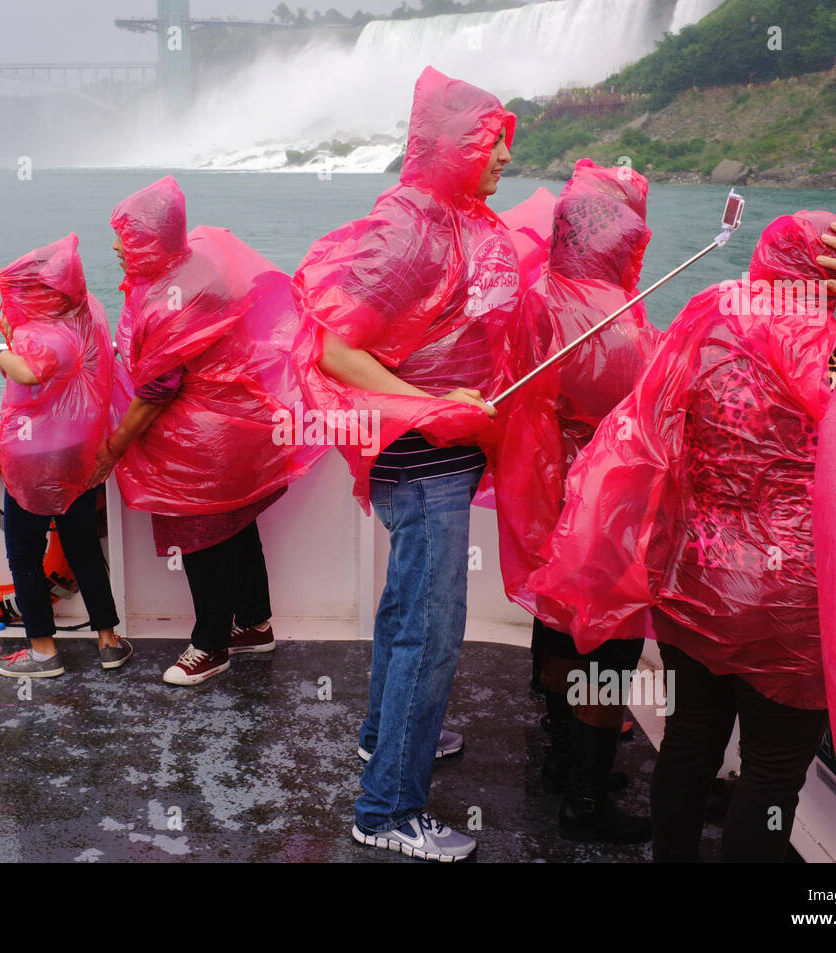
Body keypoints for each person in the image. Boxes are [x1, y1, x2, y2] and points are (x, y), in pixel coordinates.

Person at [533, 211, 836, 861]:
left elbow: (646, 424)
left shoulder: (707, 315)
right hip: (788, 601)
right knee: (773, 773)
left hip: (697, 570)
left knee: (690, 739)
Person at [293, 67, 521, 862]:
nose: (503, 160)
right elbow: (335, 346)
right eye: (492, 144)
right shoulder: (410, 229)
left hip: (433, 456)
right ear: (455, 147)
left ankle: (378, 738)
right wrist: (428, 406)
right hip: (422, 458)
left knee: (403, 614)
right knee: (430, 631)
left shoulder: (451, 218)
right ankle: (387, 807)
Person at [98, 176, 323, 686]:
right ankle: (255, 624)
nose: (114, 246)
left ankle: (211, 645)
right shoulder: (193, 268)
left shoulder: (177, 295)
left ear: (152, 240)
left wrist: (114, 447)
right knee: (237, 528)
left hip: (203, 444)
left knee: (202, 538)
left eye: (123, 236)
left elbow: (158, 387)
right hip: (233, 429)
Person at [496, 159, 660, 843]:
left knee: (559, 624)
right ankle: (588, 799)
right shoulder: (616, 323)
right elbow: (642, 411)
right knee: (610, 649)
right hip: (601, 508)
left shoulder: (540, 297)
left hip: (543, 496)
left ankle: (564, 757)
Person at [0, 234, 129, 678]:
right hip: (77, 453)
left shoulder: (39, 332)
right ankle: (108, 641)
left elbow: (31, 370)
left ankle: (43, 652)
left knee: (24, 552)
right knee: (82, 545)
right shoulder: (89, 315)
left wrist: (3, 354)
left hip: (32, 458)